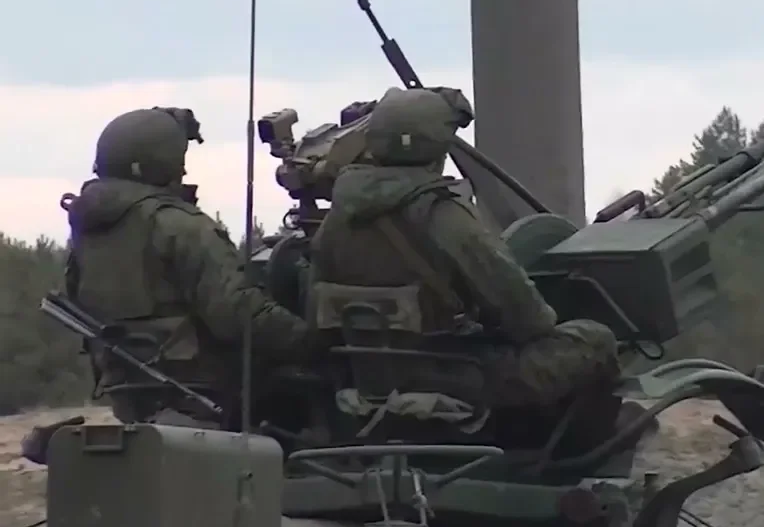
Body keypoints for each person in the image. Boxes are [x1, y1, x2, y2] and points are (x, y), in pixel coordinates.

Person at [309, 87, 628, 448]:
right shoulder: (443, 214)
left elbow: (316, 313)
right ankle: (569, 457)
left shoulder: (336, 219)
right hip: (455, 375)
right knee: (594, 340)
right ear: (438, 148)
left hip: (365, 376)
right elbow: (527, 317)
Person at [60, 106, 317, 432]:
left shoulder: (89, 231)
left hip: (127, 385)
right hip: (199, 386)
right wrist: (308, 340)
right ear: (162, 164)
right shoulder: (180, 226)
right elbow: (236, 312)